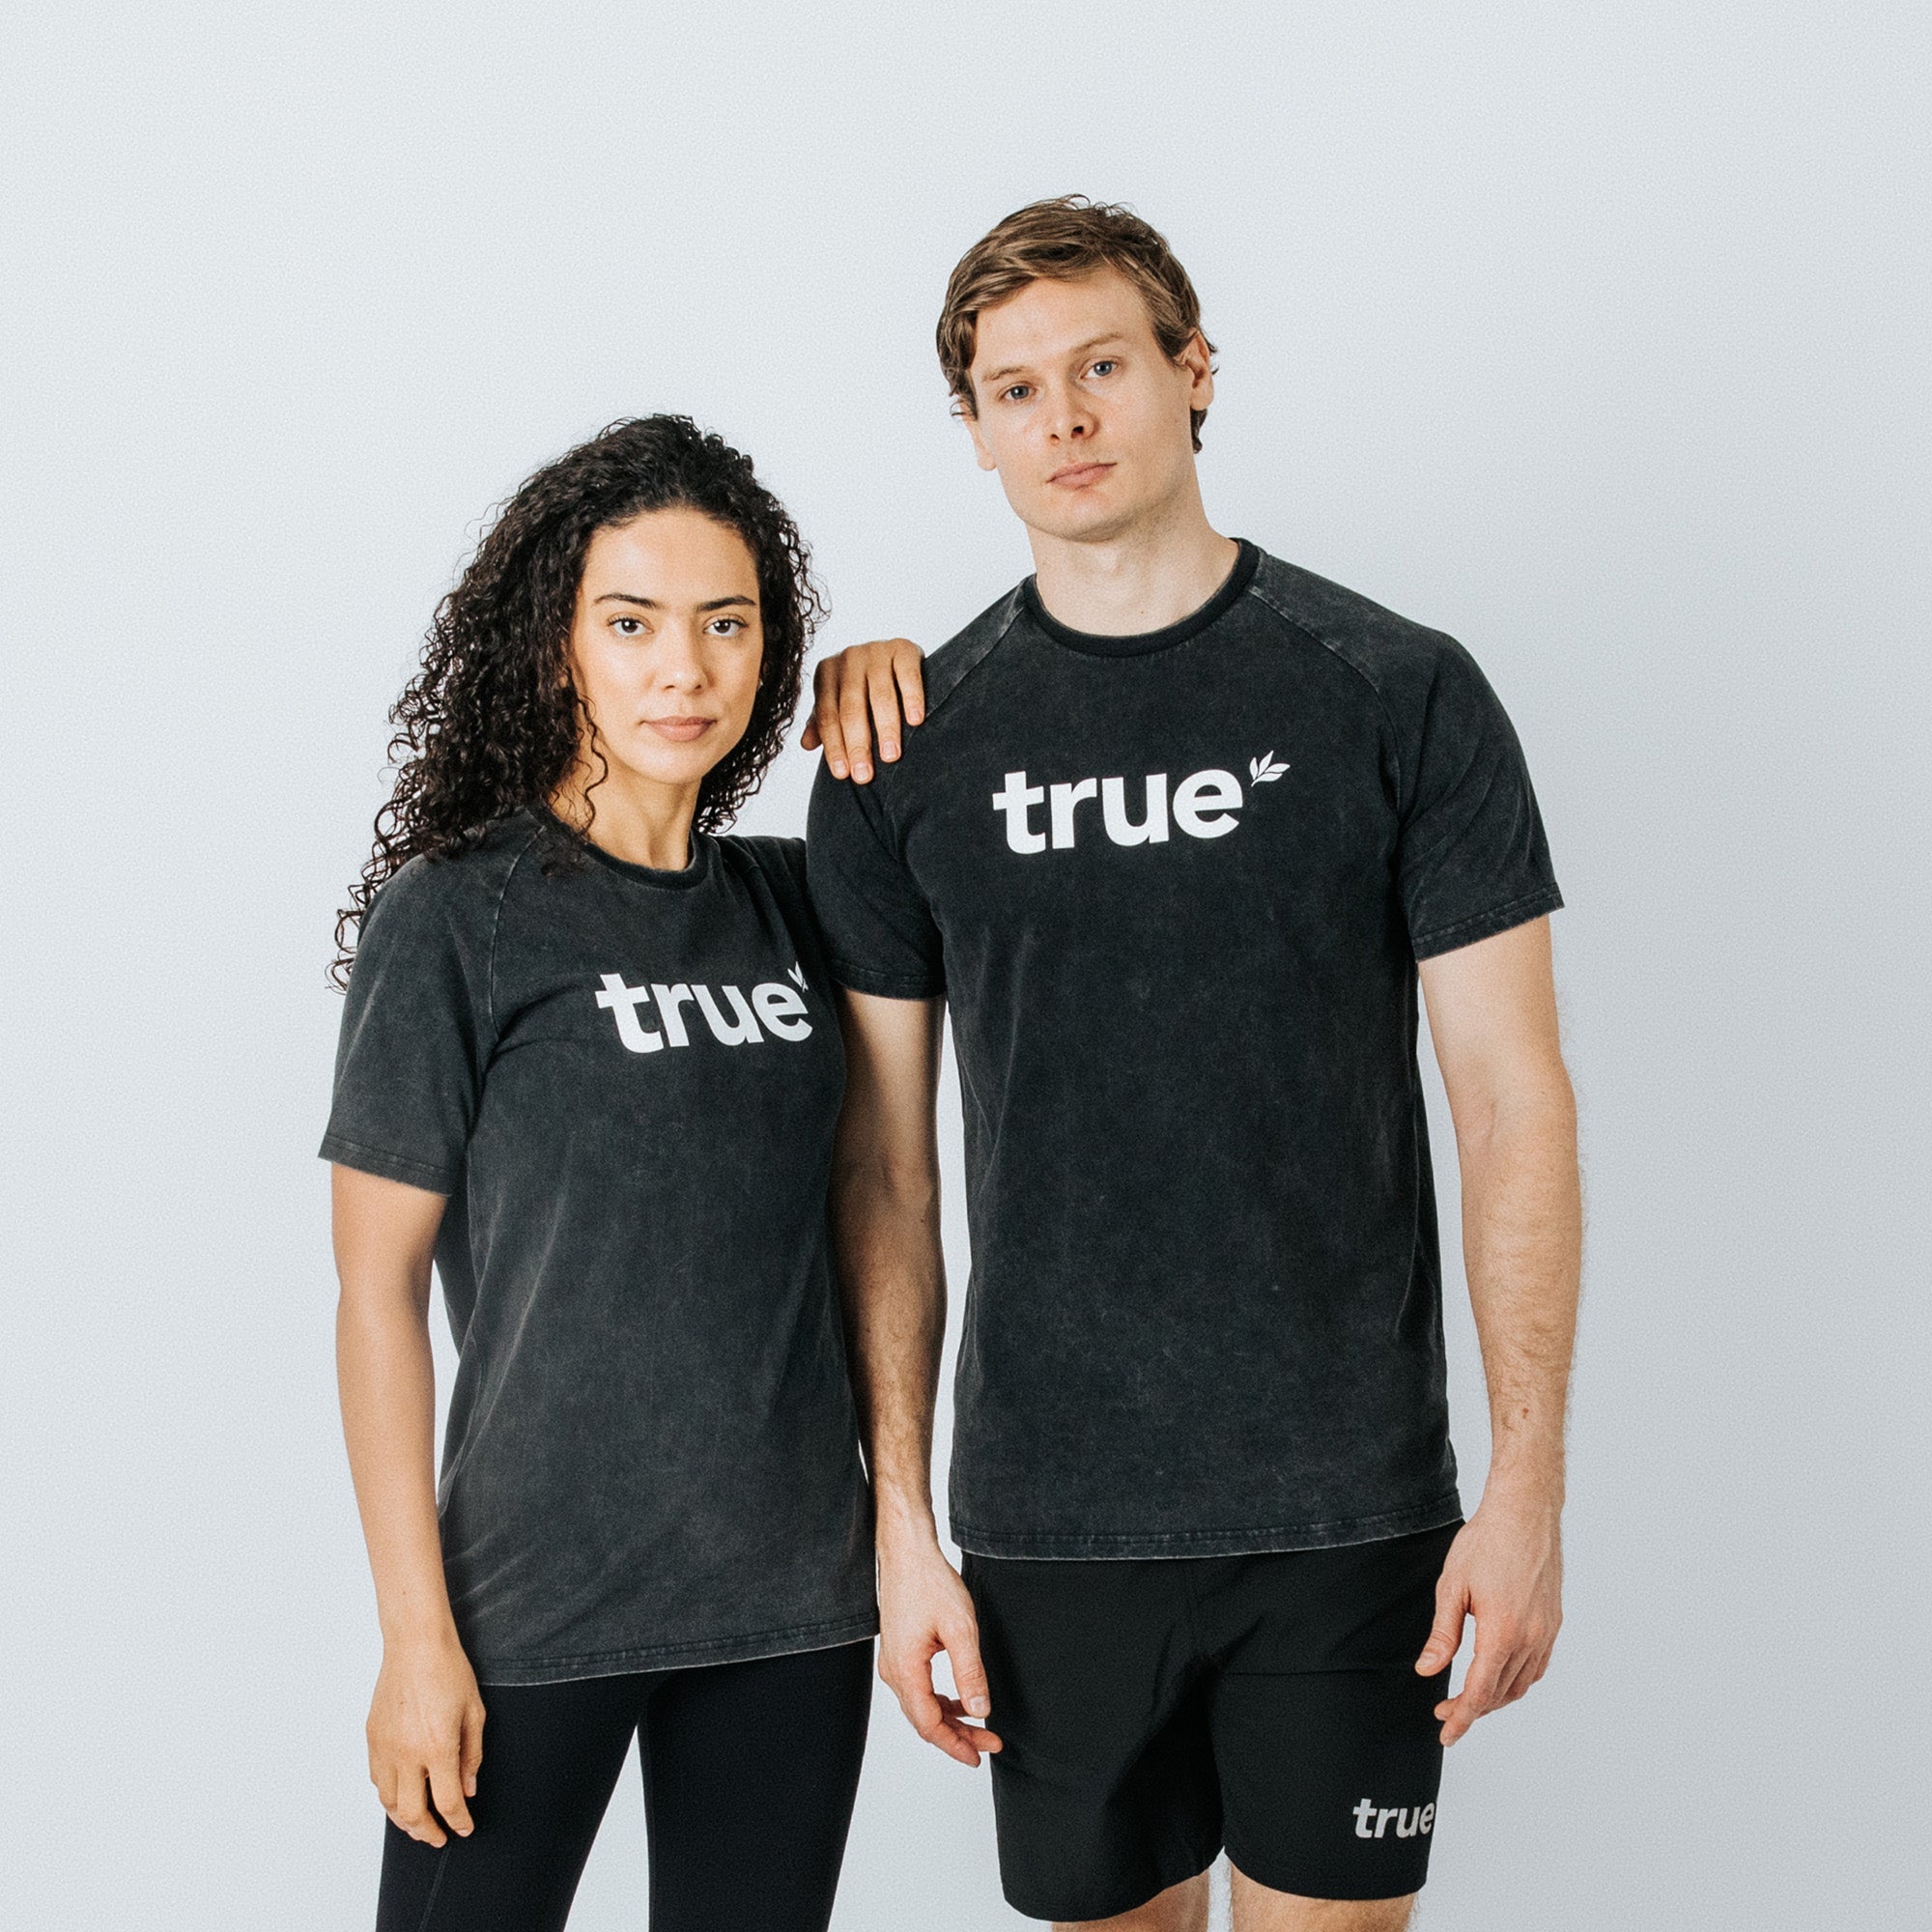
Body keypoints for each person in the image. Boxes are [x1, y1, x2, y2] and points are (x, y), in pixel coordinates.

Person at [804, 198, 1582, 1932]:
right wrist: (902, 1527)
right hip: (1049, 1531)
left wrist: (1525, 1492)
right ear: (977, 429)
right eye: (1015, 390)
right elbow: (886, 1172)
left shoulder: (1397, 695)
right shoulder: (902, 751)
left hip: (1349, 1514)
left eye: (1101, 367)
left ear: (1192, 371)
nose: (1065, 420)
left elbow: (1513, 1106)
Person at [326, 415, 912, 1932]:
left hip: (790, 1606)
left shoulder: (799, 899)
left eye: (730, 624)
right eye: (633, 623)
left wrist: (909, 689)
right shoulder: (458, 921)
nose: (686, 670)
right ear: (557, 645)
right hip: (530, 1607)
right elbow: (375, 1294)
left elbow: (971, 842)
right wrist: (415, 1639)